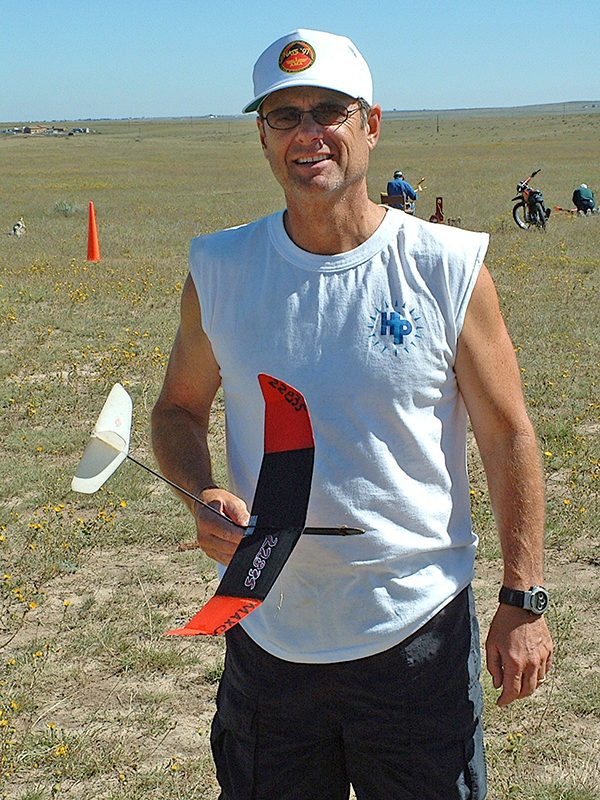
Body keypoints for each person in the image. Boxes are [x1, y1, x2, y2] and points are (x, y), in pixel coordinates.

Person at [152, 28, 553, 800]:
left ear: (370, 124)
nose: (309, 134)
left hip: (416, 642)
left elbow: (509, 436)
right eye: (284, 115)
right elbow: (176, 409)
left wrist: (523, 598)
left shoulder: (447, 266)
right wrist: (198, 488)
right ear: (263, 137)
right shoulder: (222, 269)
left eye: (330, 111)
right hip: (268, 638)